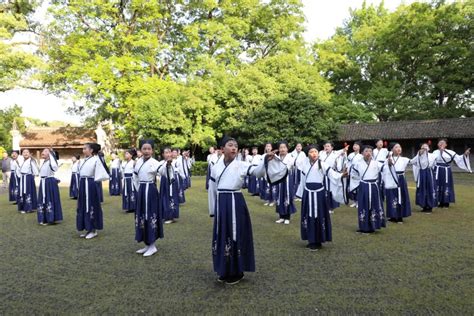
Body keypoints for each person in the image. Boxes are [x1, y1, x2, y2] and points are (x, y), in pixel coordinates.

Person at [208, 136, 266, 285]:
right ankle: (223, 269)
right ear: (222, 149)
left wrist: (266, 160)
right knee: (222, 235)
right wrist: (213, 209)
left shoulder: (241, 164)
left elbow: (258, 172)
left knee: (236, 235)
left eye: (236, 146)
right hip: (222, 204)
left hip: (235, 201)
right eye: (230, 145)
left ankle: (237, 271)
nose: (234, 148)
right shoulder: (216, 167)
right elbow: (212, 189)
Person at [296, 145, 346, 250]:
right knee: (308, 216)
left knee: (320, 215)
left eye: (315, 151)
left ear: (318, 153)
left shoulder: (322, 164)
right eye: (311, 152)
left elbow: (331, 174)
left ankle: (319, 239)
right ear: (307, 154)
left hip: (319, 194)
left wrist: (341, 175)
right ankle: (311, 240)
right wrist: (301, 194)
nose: (314, 154)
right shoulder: (304, 165)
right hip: (308, 193)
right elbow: (302, 180)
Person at [133, 140, 170, 257]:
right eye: (144, 148)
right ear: (141, 150)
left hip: (151, 191)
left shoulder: (155, 162)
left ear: (152, 150)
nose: (147, 151)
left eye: (149, 149)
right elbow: (135, 177)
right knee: (141, 216)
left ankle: (152, 245)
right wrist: (138, 190)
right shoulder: (138, 162)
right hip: (142, 191)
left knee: (150, 215)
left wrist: (168, 165)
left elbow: (163, 171)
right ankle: (147, 244)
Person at [350, 145, 396, 233]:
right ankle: (363, 226)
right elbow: (353, 175)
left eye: (370, 151)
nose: (368, 153)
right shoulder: (357, 164)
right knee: (363, 205)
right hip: (363, 186)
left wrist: (389, 163)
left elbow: (385, 168)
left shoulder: (376, 163)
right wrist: (357, 185)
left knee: (375, 205)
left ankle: (374, 225)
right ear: (362, 153)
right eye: (366, 151)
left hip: (374, 187)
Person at [76, 143, 109, 239]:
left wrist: (94, 181)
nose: (83, 150)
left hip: (90, 184)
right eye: (83, 148)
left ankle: (93, 229)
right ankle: (87, 228)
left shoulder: (96, 159)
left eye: (85, 148)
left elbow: (101, 173)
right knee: (83, 205)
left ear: (91, 150)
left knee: (91, 205)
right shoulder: (83, 160)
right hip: (83, 183)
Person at [432, 139, 471, 208]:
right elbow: (431, 160)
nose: (441, 144)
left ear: (446, 145)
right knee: (438, 184)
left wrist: (465, 154)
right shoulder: (435, 152)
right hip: (437, 170)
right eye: (439, 143)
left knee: (446, 185)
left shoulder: (450, 152)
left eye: (443, 143)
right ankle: (439, 201)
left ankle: (446, 202)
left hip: (446, 171)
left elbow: (459, 158)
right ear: (437, 144)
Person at [384, 143, 411, 223]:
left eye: (399, 147)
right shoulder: (387, 160)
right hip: (391, 179)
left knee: (401, 196)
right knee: (391, 197)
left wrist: (420, 154)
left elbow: (415, 161)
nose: (398, 148)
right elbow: (384, 169)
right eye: (396, 147)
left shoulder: (404, 159)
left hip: (401, 179)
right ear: (392, 149)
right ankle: (393, 216)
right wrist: (388, 163)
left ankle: (400, 216)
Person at [319, 141, 348, 213]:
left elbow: (341, 155)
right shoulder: (321, 153)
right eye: (325, 146)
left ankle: (331, 207)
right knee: (323, 190)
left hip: (331, 174)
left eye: (328, 146)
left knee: (331, 190)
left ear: (332, 147)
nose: (326, 147)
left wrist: (343, 152)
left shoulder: (335, 154)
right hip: (322, 174)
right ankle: (324, 206)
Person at [273, 141, 296, 225]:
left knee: (287, 196)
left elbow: (289, 166)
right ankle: (281, 216)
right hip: (279, 180)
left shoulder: (290, 157)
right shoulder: (276, 157)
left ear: (287, 148)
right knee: (279, 196)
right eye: (281, 147)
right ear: (278, 149)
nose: (282, 149)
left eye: (284, 147)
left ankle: (287, 217)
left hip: (287, 179)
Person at [37, 148, 63, 225]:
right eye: (43, 151)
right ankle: (44, 218)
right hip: (43, 182)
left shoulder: (51, 162)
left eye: (45, 151)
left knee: (49, 198)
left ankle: (51, 218)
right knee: (43, 199)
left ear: (50, 154)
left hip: (49, 183)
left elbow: (55, 168)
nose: (43, 152)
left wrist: (52, 155)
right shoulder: (45, 162)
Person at [410, 143, 437, 213]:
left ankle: (430, 206)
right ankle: (424, 206)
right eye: (423, 147)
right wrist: (419, 154)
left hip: (429, 173)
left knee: (430, 188)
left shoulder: (432, 156)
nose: (425, 148)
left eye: (426, 147)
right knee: (422, 188)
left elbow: (435, 164)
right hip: (422, 174)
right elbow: (412, 162)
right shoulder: (418, 156)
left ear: (429, 148)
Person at [16, 148, 39, 213]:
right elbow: (18, 170)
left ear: (29, 154)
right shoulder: (22, 161)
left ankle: (29, 208)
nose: (25, 153)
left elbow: (36, 171)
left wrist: (32, 176)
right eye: (24, 152)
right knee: (22, 192)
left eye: (27, 152)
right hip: (22, 178)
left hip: (28, 178)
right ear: (22, 154)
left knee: (28, 192)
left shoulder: (31, 161)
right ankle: (23, 207)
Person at [160, 147, 179, 224]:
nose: (168, 154)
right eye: (166, 153)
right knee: (164, 198)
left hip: (171, 183)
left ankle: (171, 216)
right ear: (163, 154)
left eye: (169, 152)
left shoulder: (174, 162)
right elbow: (160, 172)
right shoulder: (161, 163)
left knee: (172, 198)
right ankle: (165, 215)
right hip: (164, 183)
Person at [347, 142, 363, 208]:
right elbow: (347, 163)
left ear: (359, 147)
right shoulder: (350, 155)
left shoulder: (361, 156)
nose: (354, 146)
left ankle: (358, 202)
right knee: (351, 188)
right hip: (351, 172)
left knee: (358, 188)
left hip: (357, 173)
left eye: (356, 145)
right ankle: (354, 201)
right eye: (354, 145)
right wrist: (347, 171)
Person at [122, 148, 137, 213]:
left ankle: (133, 207)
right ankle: (128, 207)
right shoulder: (124, 163)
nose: (125, 155)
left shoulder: (134, 162)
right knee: (126, 193)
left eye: (127, 154)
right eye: (125, 154)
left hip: (131, 180)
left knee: (132, 193)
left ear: (131, 155)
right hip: (126, 180)